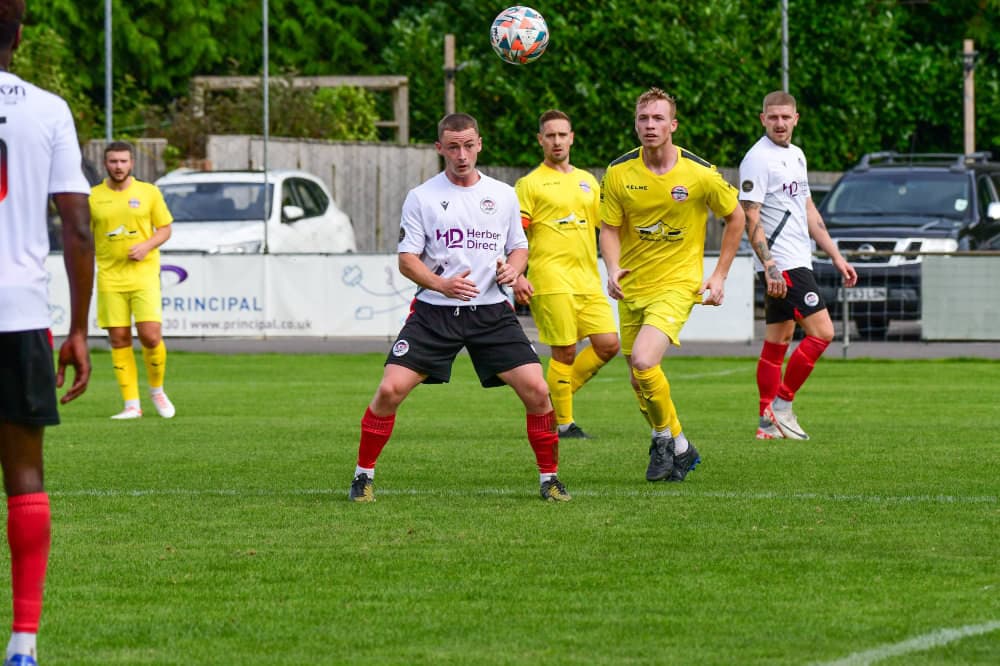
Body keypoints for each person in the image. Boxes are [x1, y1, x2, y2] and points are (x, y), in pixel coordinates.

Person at [348, 112, 570, 503]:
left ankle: (549, 480)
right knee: (389, 389)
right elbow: (407, 260)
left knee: (538, 389)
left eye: (468, 145)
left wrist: (514, 270)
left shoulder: (503, 194)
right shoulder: (422, 197)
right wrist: (442, 285)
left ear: (479, 144)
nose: (462, 155)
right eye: (453, 147)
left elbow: (519, 247)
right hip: (435, 313)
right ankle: (362, 477)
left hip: (491, 312)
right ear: (440, 148)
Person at [0, 2, 96, 664]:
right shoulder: (47, 109)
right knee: (25, 474)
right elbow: (78, 228)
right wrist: (79, 330)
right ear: (19, 32)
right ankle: (24, 643)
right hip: (20, 313)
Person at [599, 87, 746, 483]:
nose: (650, 125)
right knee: (638, 379)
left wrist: (719, 274)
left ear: (673, 125)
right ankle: (680, 445)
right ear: (636, 124)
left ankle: (663, 440)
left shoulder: (700, 173)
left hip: (678, 285)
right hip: (632, 286)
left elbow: (736, 217)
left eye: (658, 118)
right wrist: (612, 267)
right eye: (644, 119)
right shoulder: (619, 172)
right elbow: (609, 228)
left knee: (645, 361)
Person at [738, 90, 857, 440]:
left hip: (798, 258)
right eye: (772, 117)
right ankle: (782, 405)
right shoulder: (757, 159)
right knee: (823, 333)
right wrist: (770, 264)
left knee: (780, 339)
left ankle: (766, 424)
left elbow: (808, 210)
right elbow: (750, 216)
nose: (779, 123)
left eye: (785, 117)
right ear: (763, 119)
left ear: (795, 119)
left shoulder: (797, 155)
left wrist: (835, 255)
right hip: (783, 263)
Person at [513, 110, 620, 440]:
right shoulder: (529, 184)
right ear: (540, 140)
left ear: (572, 138)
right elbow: (514, 236)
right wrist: (516, 275)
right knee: (565, 352)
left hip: (587, 279)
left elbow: (608, 228)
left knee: (608, 344)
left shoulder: (588, 181)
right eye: (550, 135)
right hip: (550, 279)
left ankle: (551, 399)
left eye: (562, 135)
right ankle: (563, 424)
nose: (557, 141)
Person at [89, 141, 176, 420]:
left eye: (123, 161)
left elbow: (165, 229)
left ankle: (157, 390)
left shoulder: (148, 192)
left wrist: (146, 246)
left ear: (132, 163)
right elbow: (83, 235)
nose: (118, 166)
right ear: (105, 163)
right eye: (113, 161)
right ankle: (131, 405)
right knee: (119, 338)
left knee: (150, 335)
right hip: (110, 277)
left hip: (143, 275)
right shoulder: (93, 197)